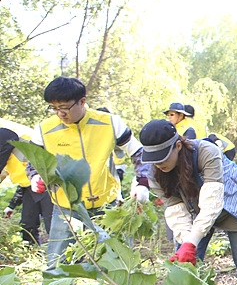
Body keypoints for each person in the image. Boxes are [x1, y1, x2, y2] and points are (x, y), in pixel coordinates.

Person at [28, 77, 148, 268]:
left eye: (65, 107)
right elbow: (33, 161)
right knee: (57, 265)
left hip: (108, 206)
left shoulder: (110, 123)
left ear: (82, 102)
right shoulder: (44, 130)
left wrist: (143, 183)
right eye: (53, 107)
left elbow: (139, 153)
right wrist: (35, 176)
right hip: (67, 209)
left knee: (121, 263)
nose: (60, 113)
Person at [139, 120, 237, 285]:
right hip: (195, 209)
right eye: (154, 160)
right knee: (186, 265)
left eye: (163, 157)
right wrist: (188, 242)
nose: (158, 164)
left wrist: (191, 242)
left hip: (233, 201)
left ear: (178, 146)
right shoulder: (154, 174)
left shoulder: (206, 152)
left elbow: (211, 202)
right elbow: (175, 211)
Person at [0, 125, 53, 244]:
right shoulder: (8, 159)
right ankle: (34, 253)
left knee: (53, 224)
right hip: (29, 189)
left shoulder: (13, 144)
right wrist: (12, 205)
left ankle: (64, 256)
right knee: (27, 224)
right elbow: (22, 181)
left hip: (46, 185)